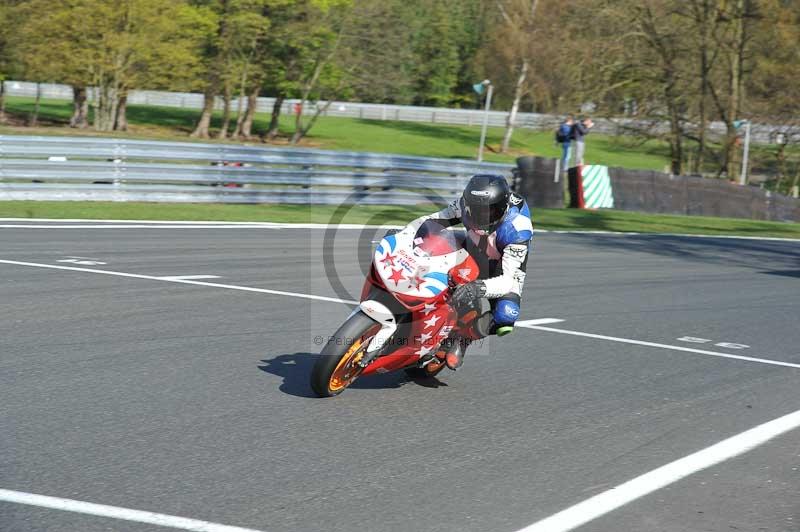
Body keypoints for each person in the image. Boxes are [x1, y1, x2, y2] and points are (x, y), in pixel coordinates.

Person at [397, 174, 533, 370]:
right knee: (431, 246)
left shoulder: (517, 229)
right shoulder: (463, 204)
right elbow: (435, 220)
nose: (480, 217)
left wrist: (477, 288)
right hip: (473, 247)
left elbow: (507, 281)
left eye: (489, 212)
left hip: (503, 264)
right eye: (474, 210)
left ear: (503, 209)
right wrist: (405, 233)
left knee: (505, 317)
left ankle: (462, 339)